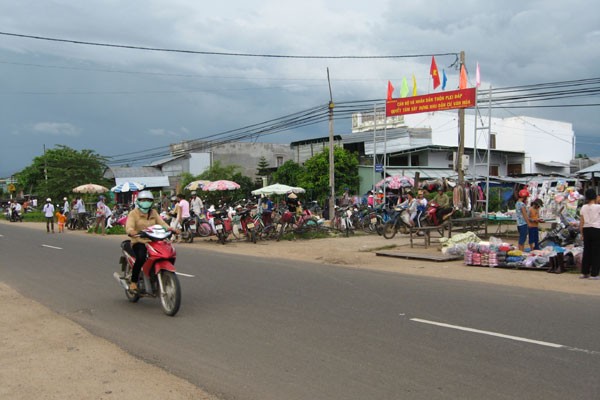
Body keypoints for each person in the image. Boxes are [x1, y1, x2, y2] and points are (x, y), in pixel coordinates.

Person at [125, 191, 175, 292]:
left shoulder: (154, 212)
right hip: (139, 241)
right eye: (143, 200)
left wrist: (171, 229)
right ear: (138, 201)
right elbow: (129, 226)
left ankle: (156, 274)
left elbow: (162, 224)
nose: (146, 202)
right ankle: (134, 282)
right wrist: (131, 231)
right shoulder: (133, 213)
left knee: (168, 253)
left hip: (154, 240)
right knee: (141, 257)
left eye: (148, 200)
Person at [579, 188, 600, 279]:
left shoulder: (583, 207)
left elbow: (581, 222)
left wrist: (582, 234)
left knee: (587, 251)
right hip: (596, 229)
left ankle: (584, 272)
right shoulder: (598, 207)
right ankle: (594, 273)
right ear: (595, 196)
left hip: (586, 229)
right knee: (596, 252)